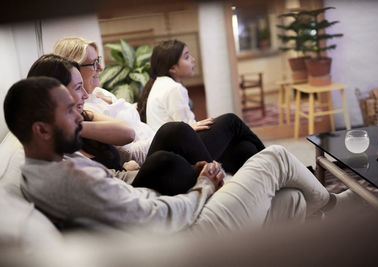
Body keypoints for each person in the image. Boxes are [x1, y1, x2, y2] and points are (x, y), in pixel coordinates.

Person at [4, 77, 356, 233]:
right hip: (186, 231)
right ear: (41, 129)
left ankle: (314, 217)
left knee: (292, 200)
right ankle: (336, 209)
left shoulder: (46, 167)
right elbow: (157, 219)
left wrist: (126, 172)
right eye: (69, 110)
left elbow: (111, 185)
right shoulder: (69, 179)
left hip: (170, 211)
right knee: (276, 156)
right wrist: (203, 186)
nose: (80, 113)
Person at [53, 36, 266, 174]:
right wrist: (181, 132)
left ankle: (273, 177)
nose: (100, 68)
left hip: (162, 140)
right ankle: (281, 165)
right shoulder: (83, 110)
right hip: (156, 152)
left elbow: (136, 120)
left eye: (99, 60)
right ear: (72, 68)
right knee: (229, 121)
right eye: (93, 63)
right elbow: (127, 153)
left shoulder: (99, 93)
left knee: (243, 149)